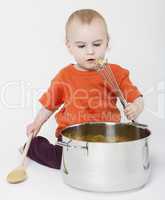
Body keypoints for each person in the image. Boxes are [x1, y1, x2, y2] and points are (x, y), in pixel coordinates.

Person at [23, 9, 144, 169]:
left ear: (107, 42)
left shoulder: (115, 73)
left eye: (97, 44)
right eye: (81, 46)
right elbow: (49, 106)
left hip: (106, 138)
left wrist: (136, 107)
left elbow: (137, 97)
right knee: (60, 161)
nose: (90, 51)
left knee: (118, 163)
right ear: (69, 46)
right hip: (72, 141)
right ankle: (33, 146)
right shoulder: (64, 76)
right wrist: (36, 123)